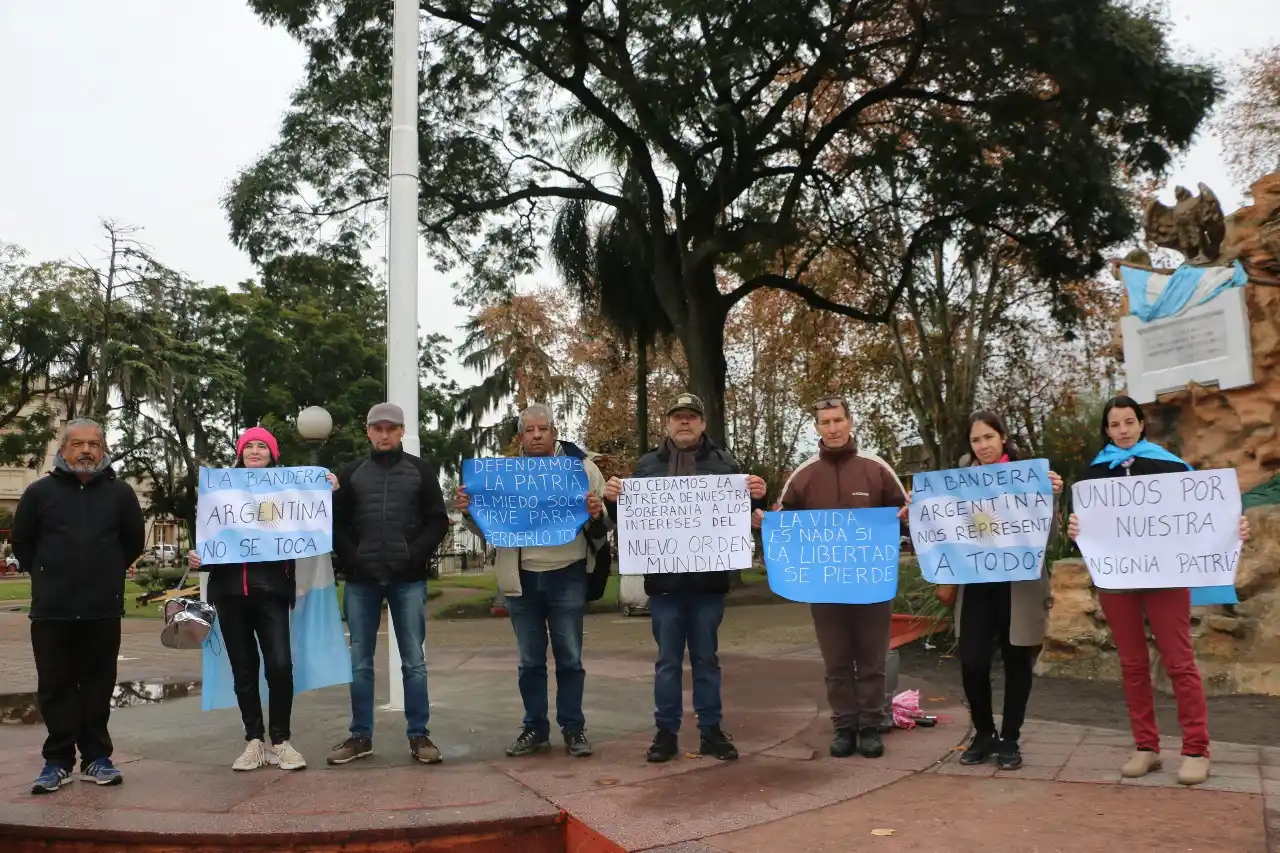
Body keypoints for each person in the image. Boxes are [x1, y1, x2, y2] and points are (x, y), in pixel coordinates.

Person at [1067, 395, 1250, 786]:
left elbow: (1205, 516)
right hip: (1118, 582)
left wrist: (1235, 528)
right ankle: (1145, 747)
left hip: (1166, 578)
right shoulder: (1093, 476)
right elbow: (1087, 533)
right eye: (1115, 425)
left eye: (1129, 422)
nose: (1123, 431)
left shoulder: (1170, 465)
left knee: (1179, 661)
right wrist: (1076, 533)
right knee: (1132, 664)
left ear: (1141, 423)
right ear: (1106, 430)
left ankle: (1197, 748)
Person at [603, 393, 767, 763]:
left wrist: (757, 499)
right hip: (665, 585)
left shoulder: (725, 465)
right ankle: (666, 732)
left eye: (691, 416)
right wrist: (614, 498)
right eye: (678, 416)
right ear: (667, 423)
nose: (684, 422)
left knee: (707, 659)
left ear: (702, 423)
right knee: (667, 662)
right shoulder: (646, 467)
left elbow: (743, 517)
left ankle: (710, 730)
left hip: (709, 584)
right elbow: (626, 519)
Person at [455, 404, 610, 758]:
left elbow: (603, 530)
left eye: (543, 429)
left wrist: (596, 514)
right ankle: (535, 727)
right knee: (530, 660)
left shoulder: (583, 469)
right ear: (520, 437)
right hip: (521, 577)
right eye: (530, 430)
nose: (537, 435)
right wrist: (469, 512)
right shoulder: (501, 476)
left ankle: (573, 728)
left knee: (570, 656)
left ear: (555, 432)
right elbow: (489, 529)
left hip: (567, 572)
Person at [186, 427, 339, 772]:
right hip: (228, 593)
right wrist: (199, 557)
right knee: (243, 669)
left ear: (272, 455)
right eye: (249, 446)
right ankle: (253, 740)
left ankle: (281, 740)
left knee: (280, 666)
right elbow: (214, 539)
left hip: (271, 592)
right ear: (240, 453)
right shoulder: (220, 492)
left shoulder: (287, 493)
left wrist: (326, 489)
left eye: (262, 447)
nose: (255, 451)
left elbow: (314, 523)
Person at [12, 419, 145, 794]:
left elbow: (133, 541)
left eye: (94, 444)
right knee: (55, 685)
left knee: (98, 685)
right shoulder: (39, 492)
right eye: (78, 445)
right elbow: (23, 543)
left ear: (104, 450)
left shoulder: (120, 494)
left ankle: (96, 758)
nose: (86, 451)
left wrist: (104, 571)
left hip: (103, 608)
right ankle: (56, 762)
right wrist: (46, 572)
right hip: (52, 609)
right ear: (64, 449)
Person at [775, 397, 907, 759]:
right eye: (825, 422)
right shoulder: (803, 474)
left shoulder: (876, 468)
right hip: (826, 585)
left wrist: (907, 516)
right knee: (836, 661)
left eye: (837, 420)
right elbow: (783, 523)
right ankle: (844, 726)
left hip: (872, 583)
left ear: (850, 422)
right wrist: (766, 523)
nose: (832, 428)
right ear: (816, 428)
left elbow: (906, 510)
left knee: (872, 658)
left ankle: (870, 726)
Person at [328, 402, 449, 766]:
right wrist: (353, 558)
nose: (384, 434)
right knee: (359, 662)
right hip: (362, 582)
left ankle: (419, 735)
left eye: (391, 428)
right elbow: (335, 523)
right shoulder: (351, 473)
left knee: (414, 661)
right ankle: (360, 736)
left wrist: (413, 556)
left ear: (401, 431)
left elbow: (438, 521)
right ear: (368, 431)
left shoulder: (420, 472)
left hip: (407, 580)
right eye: (377, 428)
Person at [944, 412, 1063, 771]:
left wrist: (1050, 496)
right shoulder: (957, 481)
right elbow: (945, 529)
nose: (983, 446)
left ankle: (1010, 738)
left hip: (1020, 586)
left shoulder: (1030, 477)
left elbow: (1050, 537)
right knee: (973, 662)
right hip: (976, 585)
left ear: (1003, 437)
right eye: (976, 440)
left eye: (989, 437)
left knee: (1017, 663)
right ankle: (983, 733)